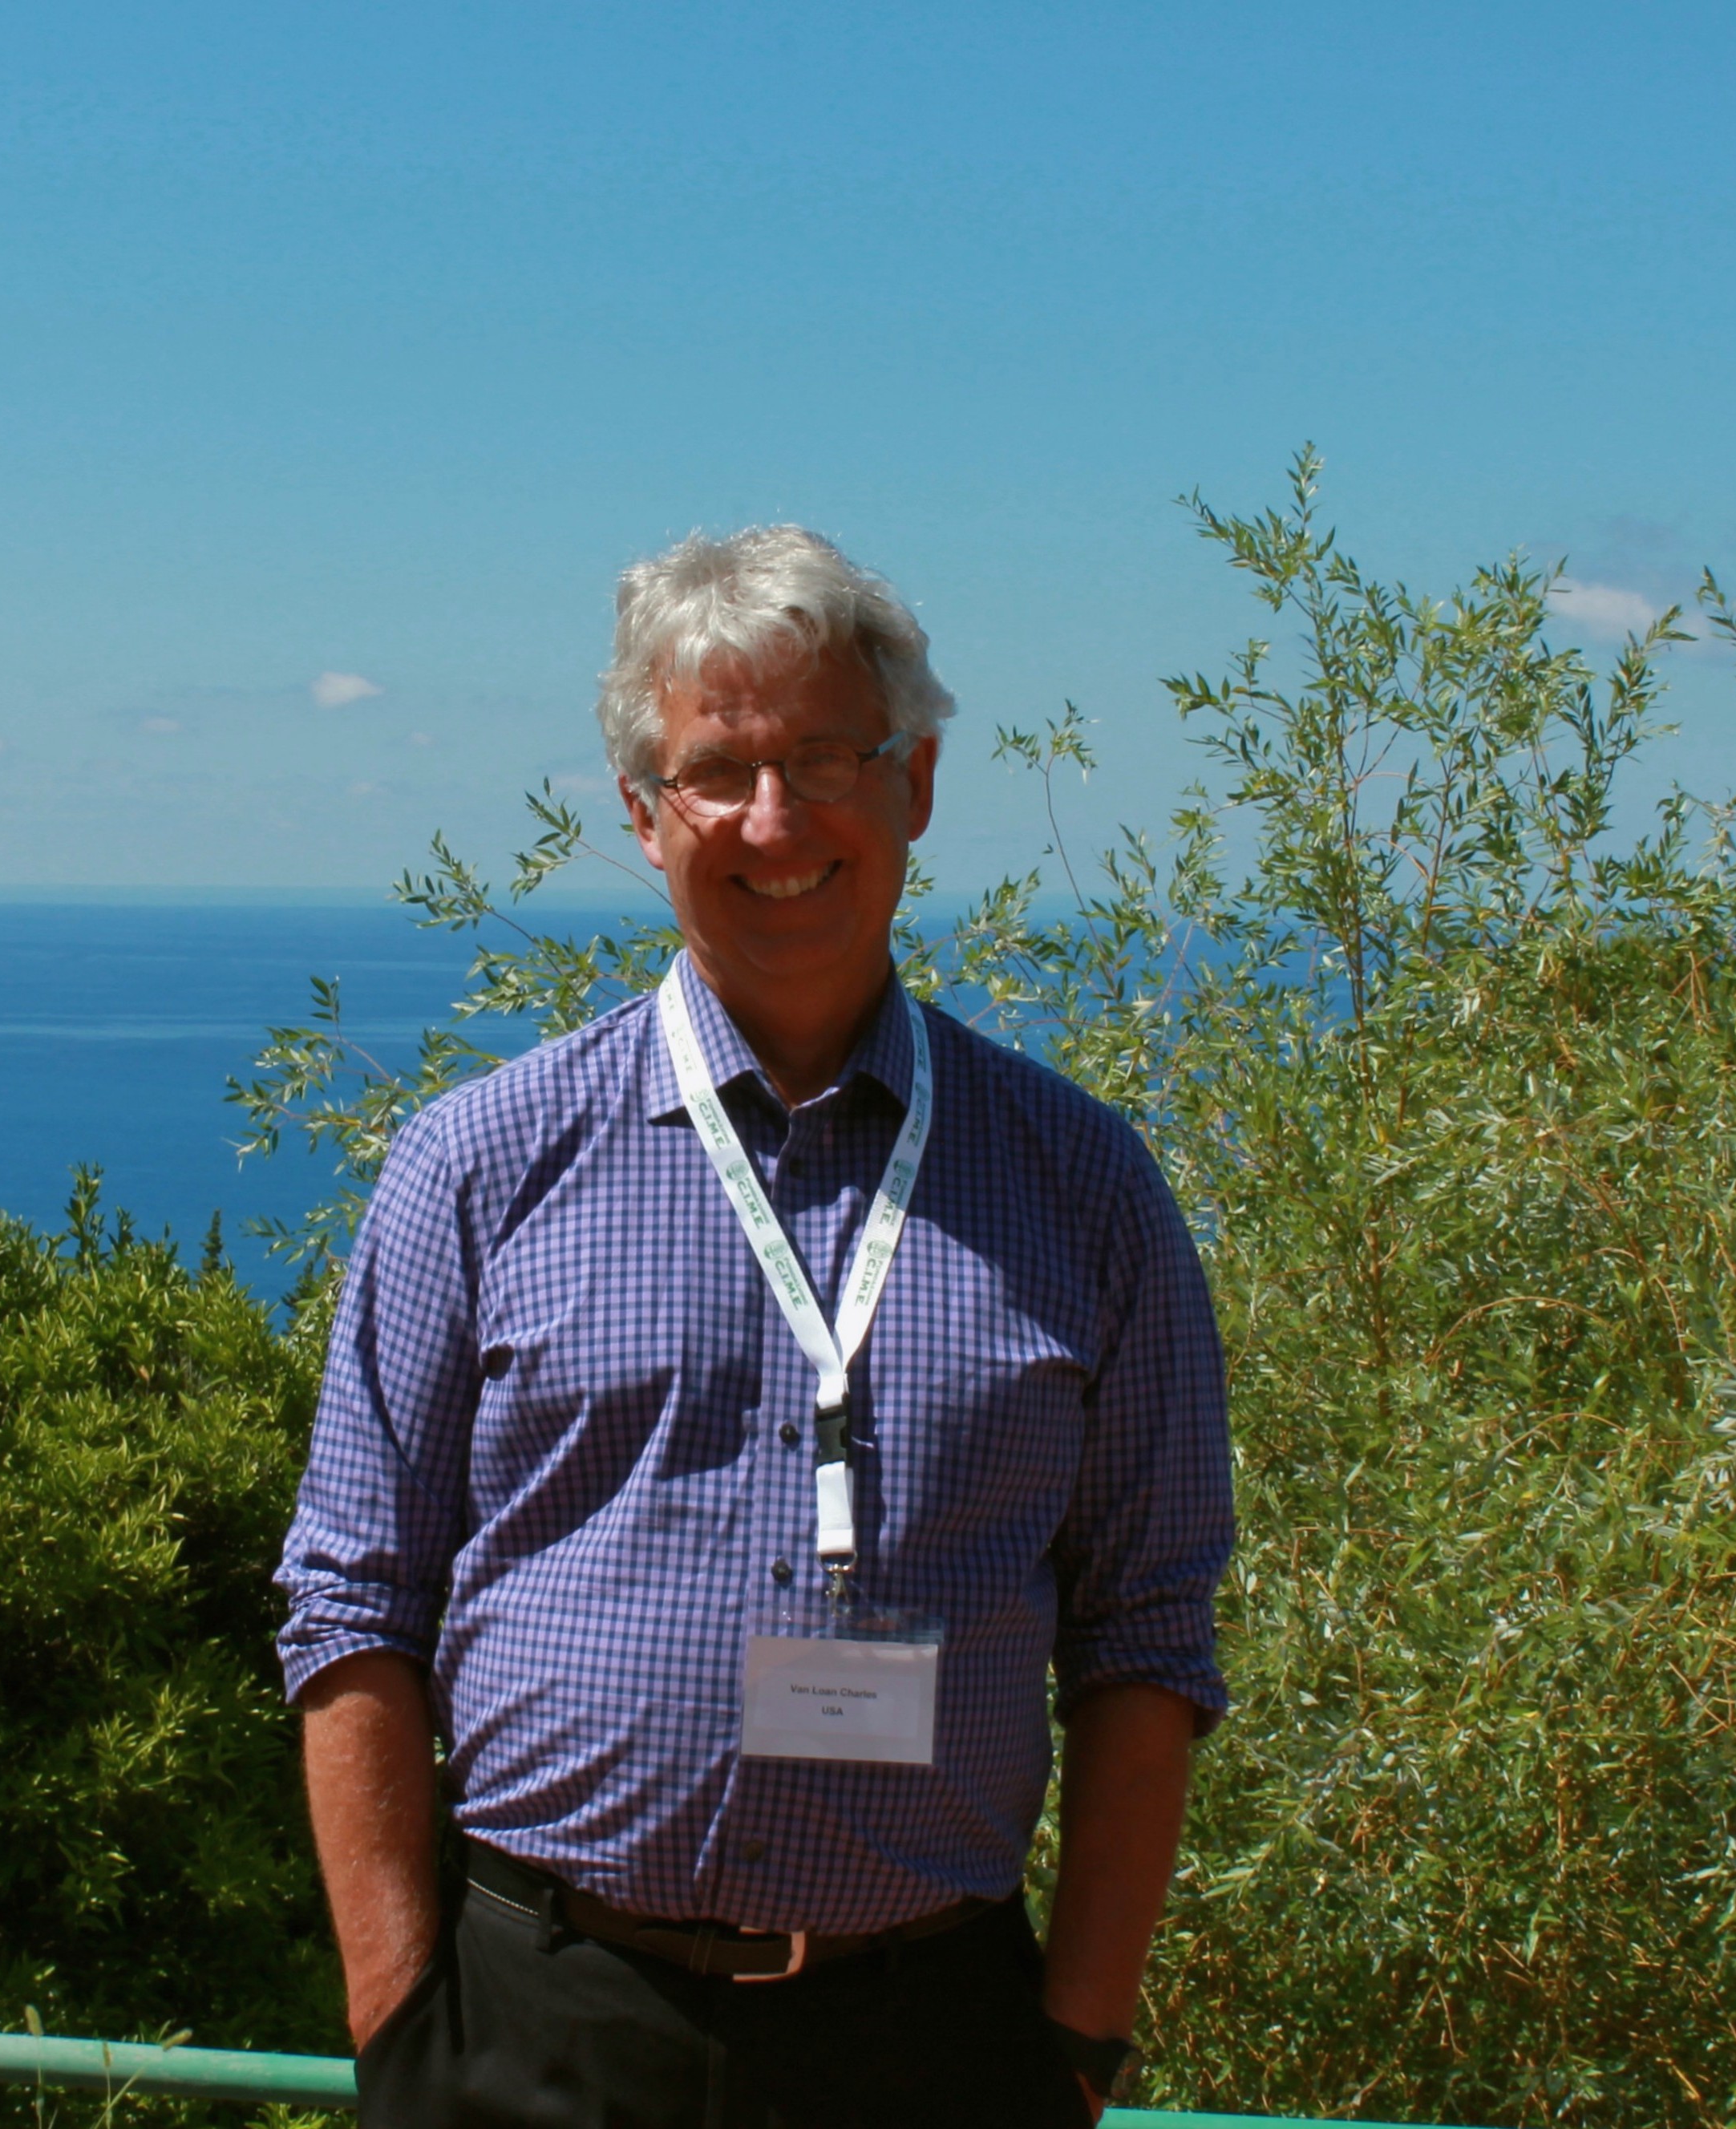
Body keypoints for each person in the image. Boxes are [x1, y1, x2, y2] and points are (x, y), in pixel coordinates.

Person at [276, 527, 1234, 2129]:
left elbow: (1146, 1636)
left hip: (932, 2048)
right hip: (540, 2032)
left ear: (915, 782)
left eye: (825, 758)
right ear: (643, 811)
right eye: (718, 770)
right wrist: (402, 2032)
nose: (776, 820)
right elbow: (352, 1600)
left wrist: (1070, 2054)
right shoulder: (480, 1167)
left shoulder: (1084, 1187)